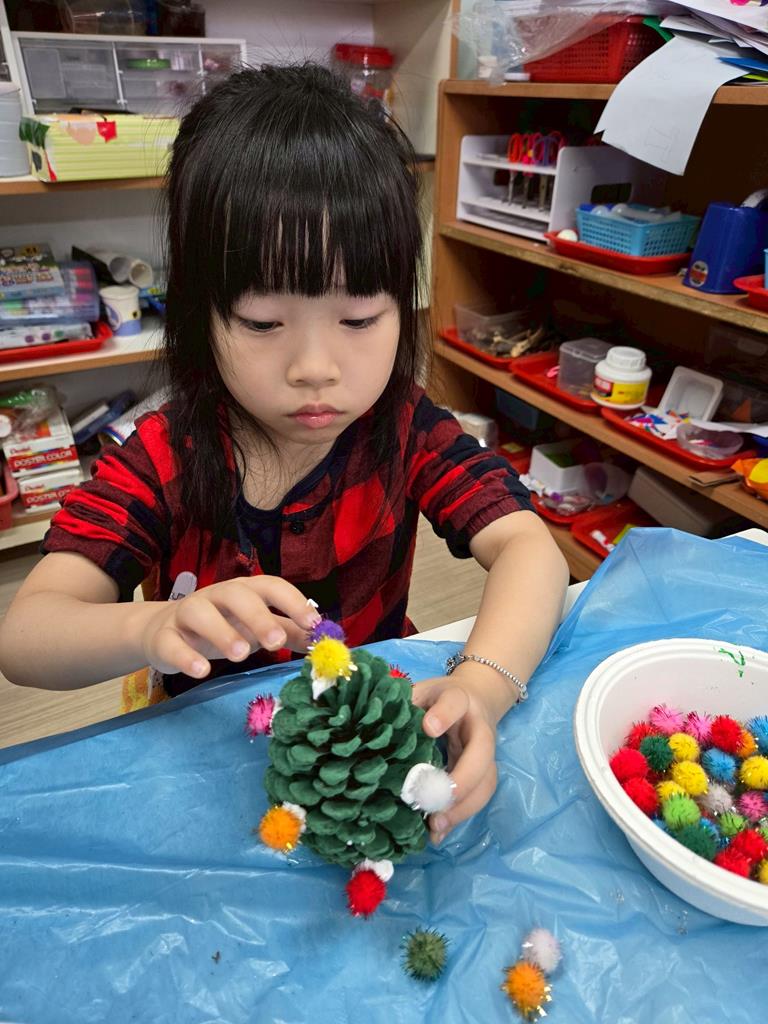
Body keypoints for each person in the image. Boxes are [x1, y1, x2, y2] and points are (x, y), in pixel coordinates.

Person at [0, 65, 568, 844]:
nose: (315, 369)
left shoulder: (403, 428)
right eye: (264, 323)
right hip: (201, 747)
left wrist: (482, 686)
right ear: (201, 313)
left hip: (357, 739)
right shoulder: (163, 455)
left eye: (359, 319)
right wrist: (155, 625)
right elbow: (27, 636)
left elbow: (532, 550)